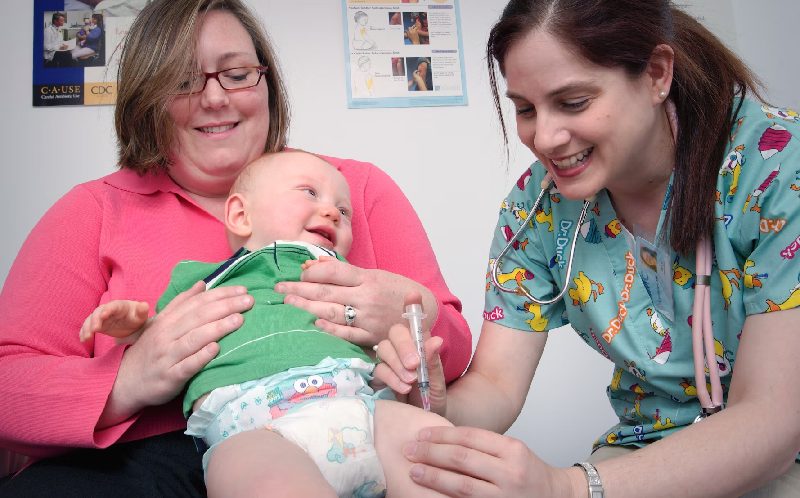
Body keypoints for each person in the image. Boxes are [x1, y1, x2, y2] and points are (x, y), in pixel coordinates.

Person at [0, 0, 471, 495]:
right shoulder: (91, 210)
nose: (215, 98)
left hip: (357, 420)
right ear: (147, 97)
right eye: (183, 80)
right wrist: (125, 381)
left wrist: (408, 313)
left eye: (237, 73)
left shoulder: (354, 190)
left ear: (266, 83)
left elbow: (454, 352)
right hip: (147, 462)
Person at [376, 1, 800, 496]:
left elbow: (773, 418)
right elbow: (495, 386)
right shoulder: (536, 209)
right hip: (645, 452)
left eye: (573, 102)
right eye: (526, 109)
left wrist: (571, 489)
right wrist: (436, 401)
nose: (547, 138)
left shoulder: (776, 168)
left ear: (657, 73)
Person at [79, 150, 452, 497]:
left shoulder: (352, 283)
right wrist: (134, 327)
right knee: (266, 481)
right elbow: (167, 343)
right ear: (242, 215)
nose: (334, 212)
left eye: (344, 210)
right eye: (310, 193)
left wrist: (402, 367)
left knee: (434, 448)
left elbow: (383, 352)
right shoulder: (203, 280)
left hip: (361, 407)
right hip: (253, 426)